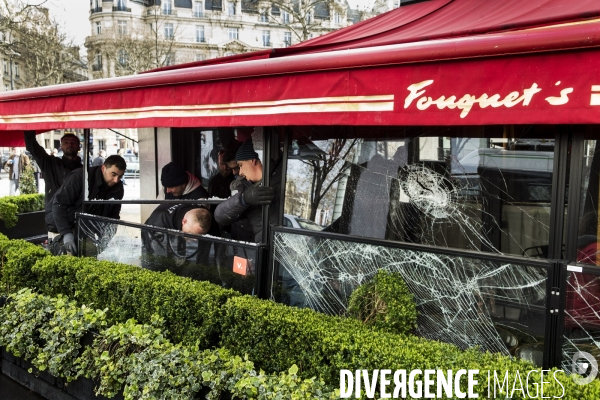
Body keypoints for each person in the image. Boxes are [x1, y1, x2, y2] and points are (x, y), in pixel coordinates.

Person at [49, 155, 126, 256]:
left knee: (90, 255)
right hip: (61, 224)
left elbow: (114, 215)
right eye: (113, 174)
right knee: (66, 257)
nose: (116, 180)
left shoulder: (118, 188)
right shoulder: (80, 177)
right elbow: (59, 204)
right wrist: (66, 233)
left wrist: (107, 236)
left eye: (120, 176)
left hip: (86, 229)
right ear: (103, 168)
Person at [214, 139, 279, 243]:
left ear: (253, 161)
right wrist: (244, 199)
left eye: (240, 165)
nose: (240, 172)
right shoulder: (242, 185)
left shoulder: (280, 179)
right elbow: (220, 215)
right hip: (251, 246)